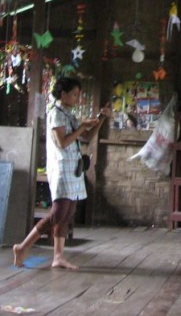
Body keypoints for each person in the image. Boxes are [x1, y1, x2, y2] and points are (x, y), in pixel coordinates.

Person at [13, 77, 111, 269]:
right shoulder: (56, 114)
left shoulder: (68, 114)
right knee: (58, 212)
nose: (76, 98)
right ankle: (23, 246)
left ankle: (58, 256)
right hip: (60, 168)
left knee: (67, 213)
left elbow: (88, 137)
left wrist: (101, 118)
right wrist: (83, 126)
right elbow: (62, 142)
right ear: (63, 94)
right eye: (74, 94)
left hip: (72, 167)